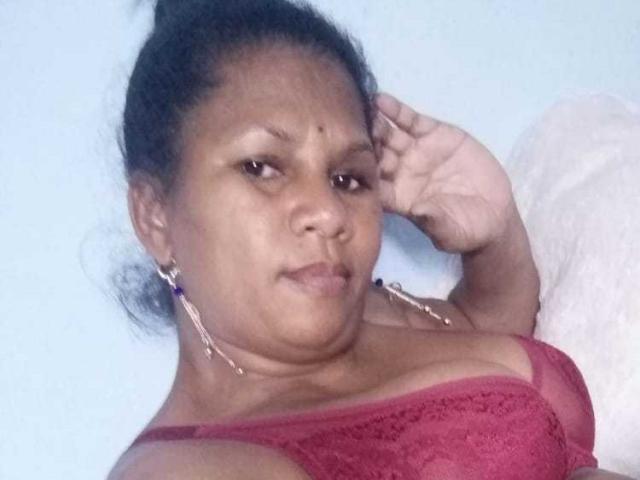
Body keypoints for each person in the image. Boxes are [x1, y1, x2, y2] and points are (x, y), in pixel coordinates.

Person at [108, 1, 630, 478]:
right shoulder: (180, 469)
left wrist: (493, 237)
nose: (328, 212)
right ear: (155, 217)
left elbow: (488, 330)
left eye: (347, 178)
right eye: (262, 167)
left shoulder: (371, 316)